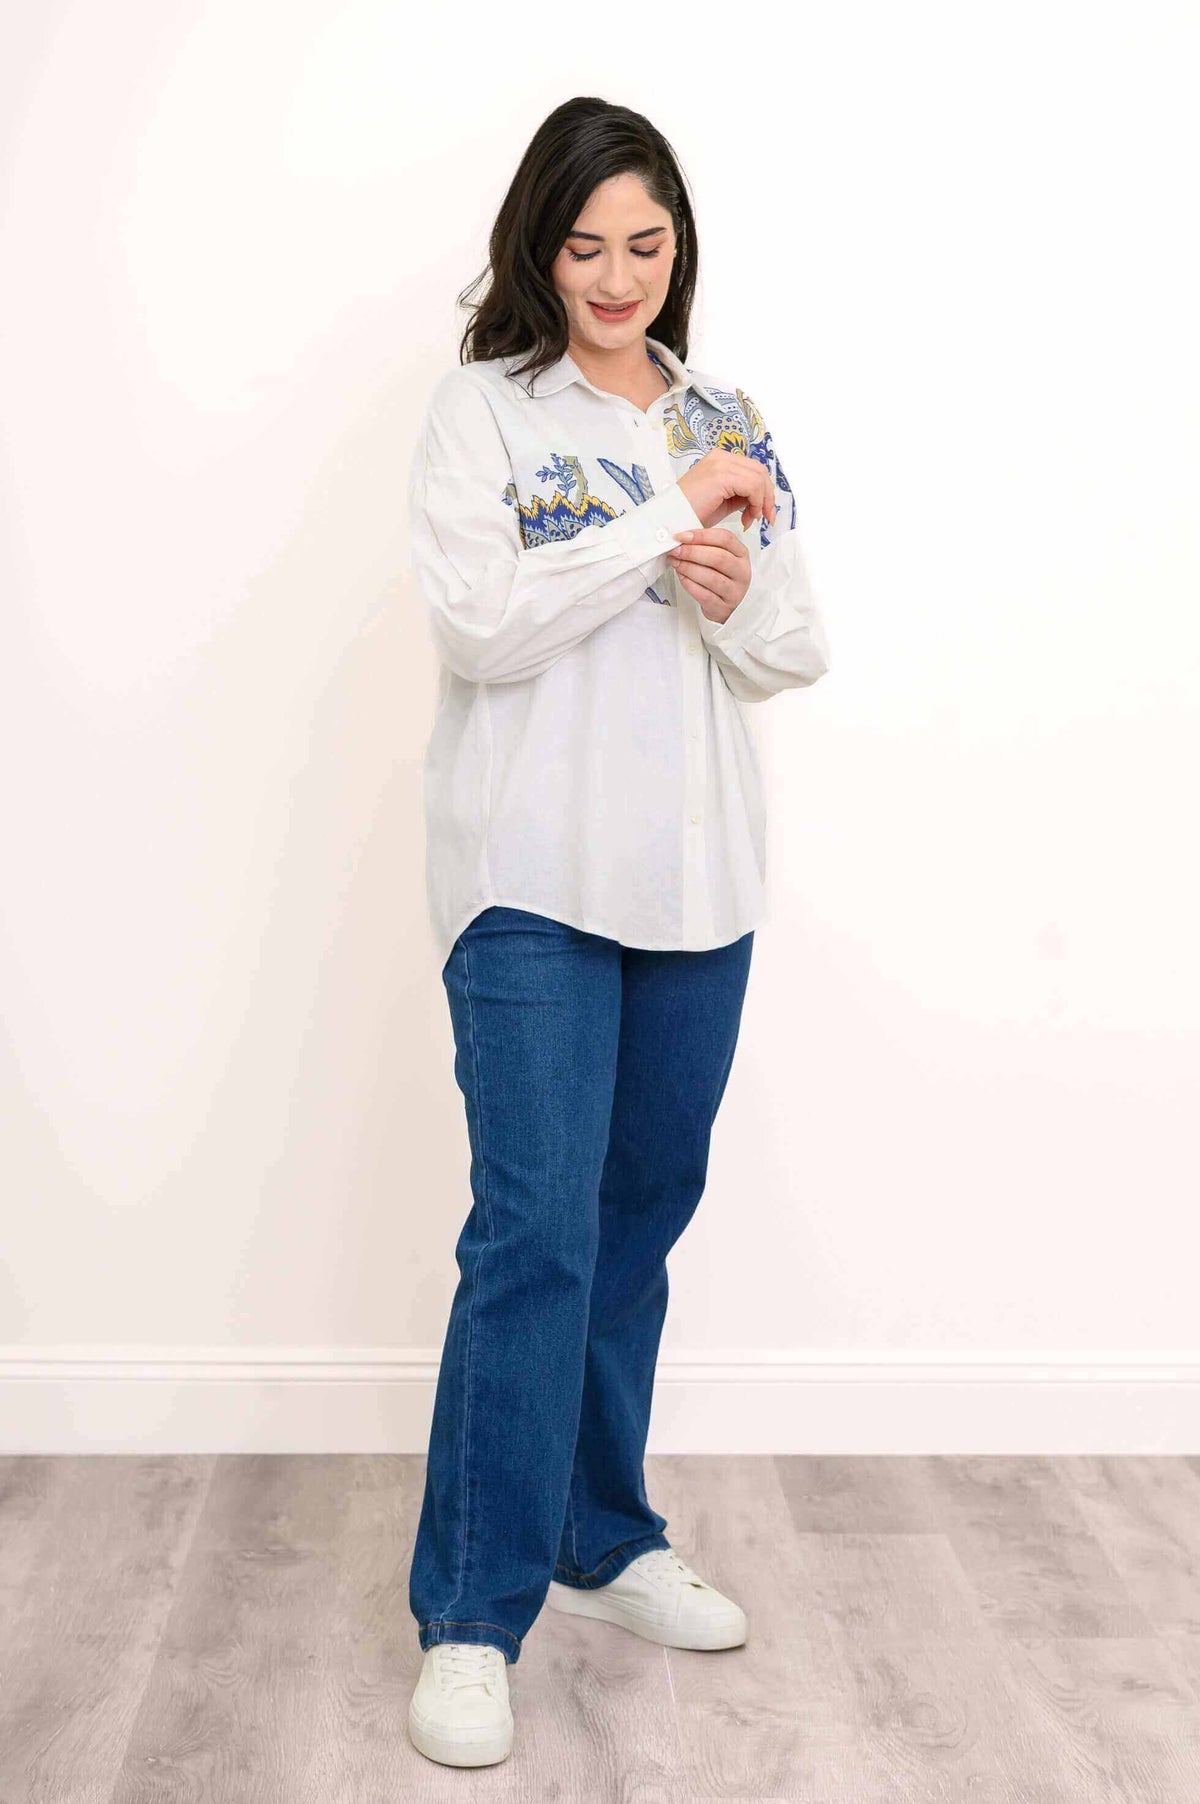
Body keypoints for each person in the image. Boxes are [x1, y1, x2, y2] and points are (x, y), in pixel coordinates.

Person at [404, 95, 832, 1768]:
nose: (616, 276)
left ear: (679, 249)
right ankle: (468, 1613)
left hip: (696, 886)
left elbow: (792, 638)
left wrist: (736, 588)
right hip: (531, 881)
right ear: (539, 243)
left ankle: (601, 1534)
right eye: (586, 245)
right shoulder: (484, 414)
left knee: (638, 1216)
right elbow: (479, 623)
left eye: (646, 245)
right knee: (535, 1238)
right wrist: (668, 531)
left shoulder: (723, 411)